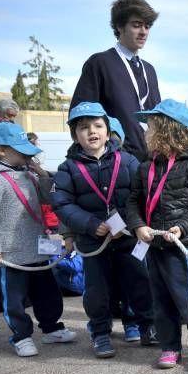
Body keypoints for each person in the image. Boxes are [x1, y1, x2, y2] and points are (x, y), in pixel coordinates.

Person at [52, 102, 158, 358]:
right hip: (92, 241)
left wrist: (130, 222)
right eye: (83, 127)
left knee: (140, 283)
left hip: (127, 239)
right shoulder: (67, 168)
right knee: (97, 292)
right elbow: (62, 203)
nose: (92, 132)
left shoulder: (128, 160)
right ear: (75, 134)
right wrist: (88, 224)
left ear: (108, 130)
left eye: (98, 126)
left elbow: (142, 193)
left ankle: (148, 326)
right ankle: (100, 333)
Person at [125, 99, 188, 370]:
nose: (145, 132)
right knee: (161, 300)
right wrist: (138, 225)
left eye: (151, 126)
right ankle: (169, 346)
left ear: (168, 131)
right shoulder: (145, 167)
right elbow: (133, 201)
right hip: (154, 246)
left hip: (184, 246)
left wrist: (183, 226)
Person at [0, 122, 75, 356]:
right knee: (15, 299)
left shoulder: (28, 174)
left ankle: (51, 328)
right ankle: (21, 336)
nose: (27, 155)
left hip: (38, 248)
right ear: (1, 150)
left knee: (47, 292)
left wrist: (41, 174)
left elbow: (51, 197)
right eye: (21, 150)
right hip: (12, 253)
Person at [72, 0, 161, 161]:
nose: (143, 32)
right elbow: (79, 115)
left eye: (147, 26)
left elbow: (157, 118)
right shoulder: (99, 63)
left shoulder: (150, 70)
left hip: (150, 163)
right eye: (137, 25)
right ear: (120, 26)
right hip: (116, 163)